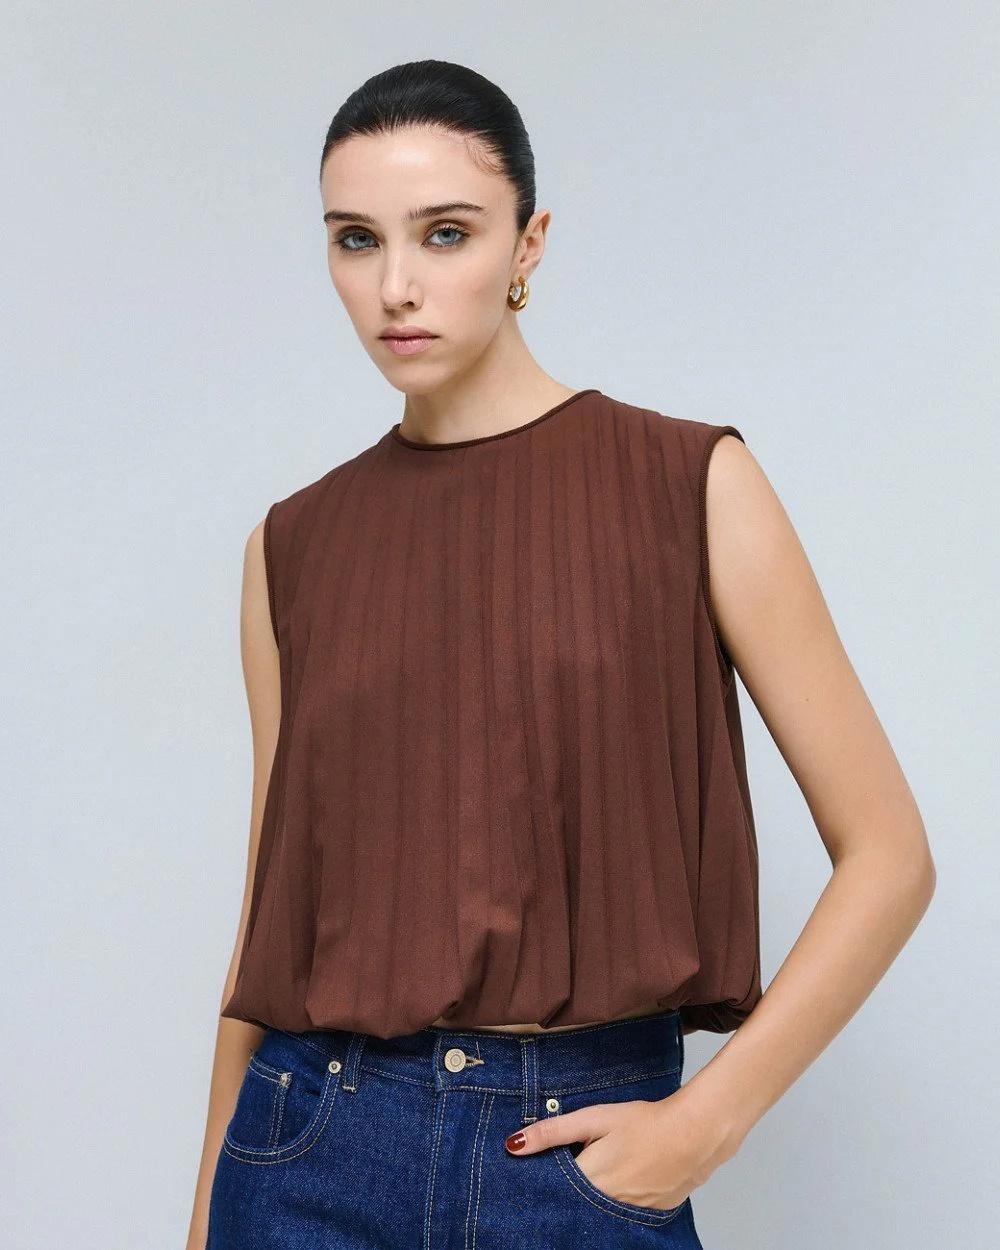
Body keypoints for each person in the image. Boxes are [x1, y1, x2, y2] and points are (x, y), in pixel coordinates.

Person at [186, 59, 936, 1250]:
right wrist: (203, 1213)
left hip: (573, 1163)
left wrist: (706, 1122)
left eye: (445, 233)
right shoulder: (292, 544)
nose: (395, 285)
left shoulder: (688, 482)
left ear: (528, 244)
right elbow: (273, 917)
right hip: (306, 1150)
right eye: (354, 239)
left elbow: (889, 854)